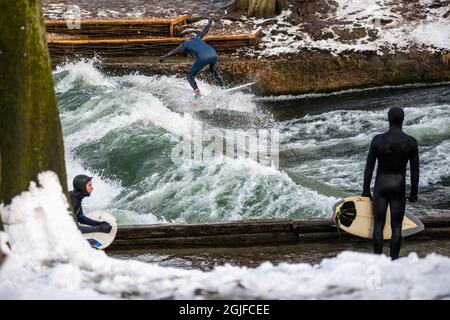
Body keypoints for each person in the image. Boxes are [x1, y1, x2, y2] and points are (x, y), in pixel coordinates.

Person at [362, 107, 419, 260]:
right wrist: (414, 193)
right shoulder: (411, 142)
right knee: (396, 227)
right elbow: (415, 172)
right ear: (403, 119)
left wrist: (365, 190)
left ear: (388, 119)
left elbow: (369, 167)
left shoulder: (377, 140)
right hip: (398, 186)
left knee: (378, 226)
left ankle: (378, 261)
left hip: (381, 185)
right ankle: (394, 261)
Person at [159, 17, 225, 97]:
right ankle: (222, 87)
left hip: (203, 58)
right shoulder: (197, 37)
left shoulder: (184, 45)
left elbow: (174, 51)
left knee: (190, 76)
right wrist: (210, 21)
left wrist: (164, 56)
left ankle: (197, 93)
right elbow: (206, 29)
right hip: (214, 54)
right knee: (212, 69)